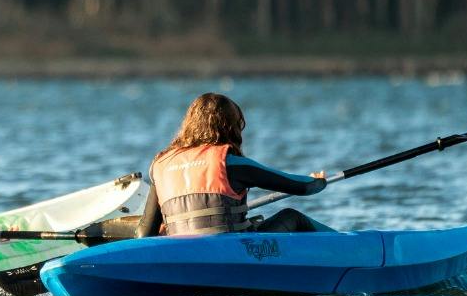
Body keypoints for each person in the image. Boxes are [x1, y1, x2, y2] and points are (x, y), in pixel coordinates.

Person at [136, 92, 331, 238]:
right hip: (232, 248)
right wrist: (318, 181)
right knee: (291, 216)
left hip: (182, 250)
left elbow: (144, 234)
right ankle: (348, 244)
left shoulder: (160, 165)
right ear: (230, 128)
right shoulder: (231, 164)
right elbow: (302, 187)